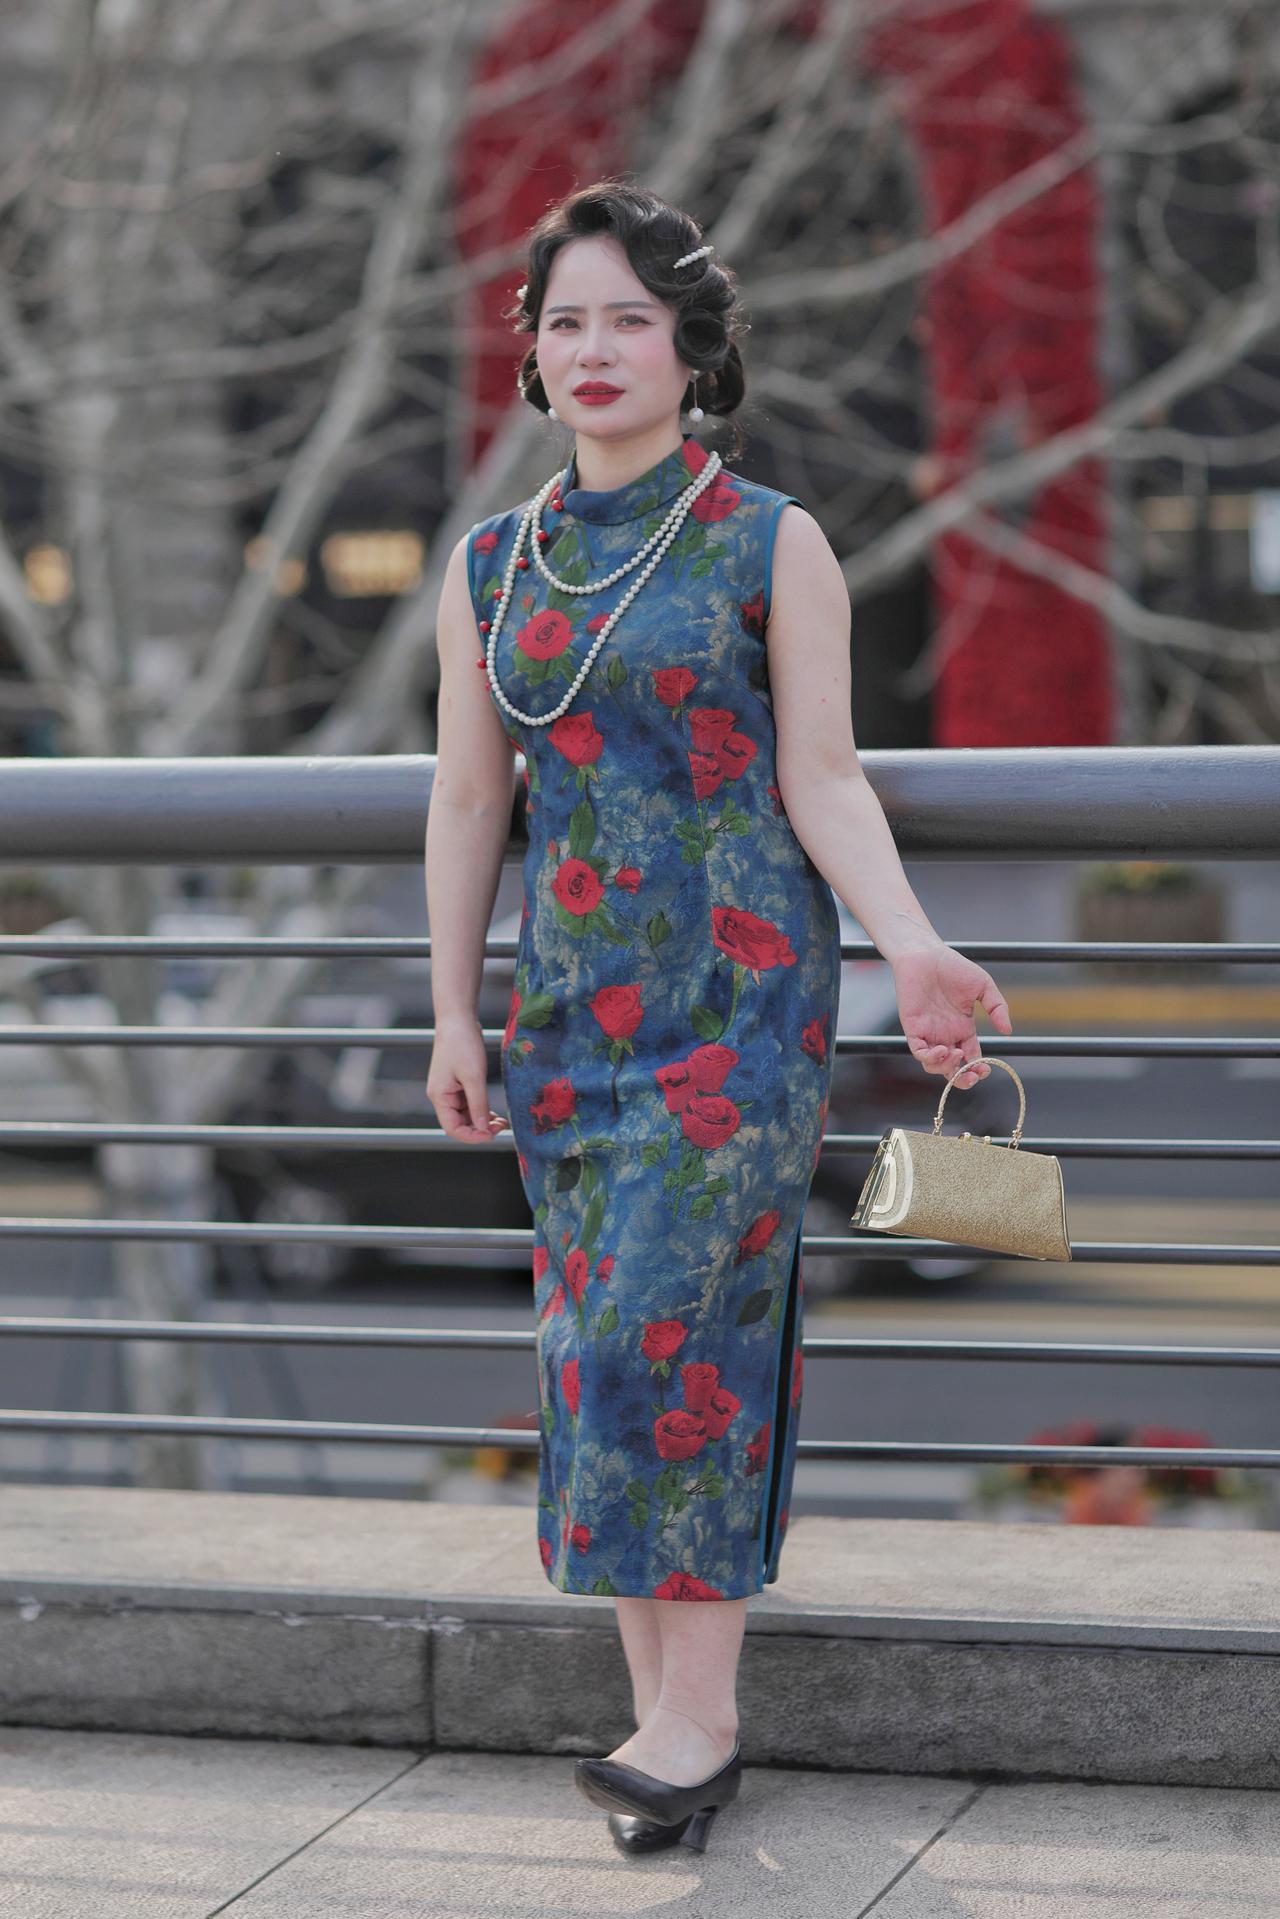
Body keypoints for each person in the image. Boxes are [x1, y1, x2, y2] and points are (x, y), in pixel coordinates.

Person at [425, 179, 1012, 1856]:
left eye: (630, 318)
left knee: (677, 1337)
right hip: (568, 1020)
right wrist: (454, 1013)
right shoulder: (494, 567)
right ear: (534, 360)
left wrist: (912, 945)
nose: (595, 349)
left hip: (740, 1013)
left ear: (691, 349)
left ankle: (700, 1720)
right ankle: (665, 1728)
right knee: (595, 1348)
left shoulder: (768, 539)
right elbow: (468, 801)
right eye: (566, 322)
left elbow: (825, 776)